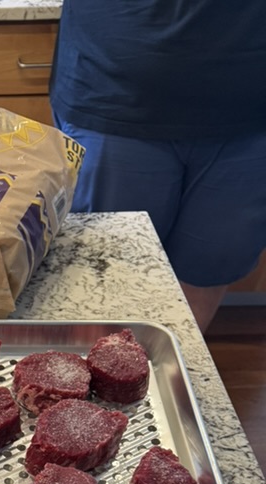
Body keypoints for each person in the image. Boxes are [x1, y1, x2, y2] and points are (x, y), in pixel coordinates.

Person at [49, 0, 266, 333]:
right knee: (104, 272)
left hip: (250, 105)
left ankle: (172, 368)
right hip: (115, 89)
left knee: (205, 272)